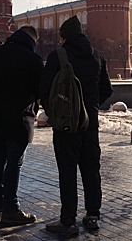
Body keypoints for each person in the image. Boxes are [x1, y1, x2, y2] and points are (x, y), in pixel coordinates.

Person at [40, 15, 113, 237]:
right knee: (91, 169)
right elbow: (106, 89)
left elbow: (44, 91)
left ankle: (68, 221)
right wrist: (90, 107)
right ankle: (92, 216)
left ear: (65, 36)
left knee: (67, 171)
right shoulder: (97, 56)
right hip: (90, 124)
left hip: (66, 126)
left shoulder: (58, 56)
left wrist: (57, 113)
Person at [0, 25, 43, 226]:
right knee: (14, 161)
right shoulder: (32, 59)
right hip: (20, 118)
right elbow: (40, 89)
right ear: (31, 40)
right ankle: (11, 209)